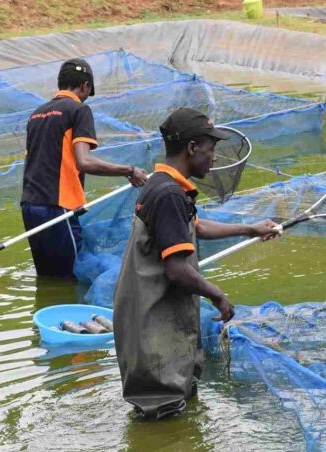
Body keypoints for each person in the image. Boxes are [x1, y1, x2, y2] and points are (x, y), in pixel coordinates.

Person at [113, 108, 280, 420]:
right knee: (163, 426)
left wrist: (251, 228)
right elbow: (176, 270)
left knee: (176, 419)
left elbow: (196, 227)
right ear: (192, 148)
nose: (213, 158)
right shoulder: (169, 195)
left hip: (149, 321)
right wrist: (217, 295)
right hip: (155, 330)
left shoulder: (162, 184)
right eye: (210, 149)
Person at [21, 58, 148, 277]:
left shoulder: (36, 115)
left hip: (29, 206)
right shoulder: (78, 110)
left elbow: (29, 162)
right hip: (58, 207)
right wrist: (129, 170)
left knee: (48, 278)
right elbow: (85, 162)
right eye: (88, 91)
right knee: (73, 275)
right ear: (84, 86)